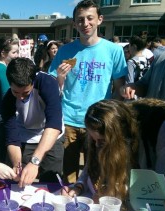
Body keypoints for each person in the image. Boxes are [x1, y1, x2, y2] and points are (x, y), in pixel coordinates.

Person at [61, 98, 165, 211]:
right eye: (93, 139)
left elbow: (164, 189)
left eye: (101, 141)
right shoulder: (100, 128)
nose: (97, 145)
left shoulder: (160, 129)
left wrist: (119, 192)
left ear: (119, 137)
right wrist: (79, 185)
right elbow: (91, 164)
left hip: (160, 193)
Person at [48, 0, 127, 184]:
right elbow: (53, 86)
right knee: (69, 172)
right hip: (69, 119)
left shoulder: (114, 51)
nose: (85, 24)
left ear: (100, 19)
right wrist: (60, 77)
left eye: (90, 18)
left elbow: (119, 88)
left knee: (98, 172)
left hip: (99, 121)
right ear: (74, 23)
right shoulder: (65, 51)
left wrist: (110, 116)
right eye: (80, 20)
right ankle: (69, 206)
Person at [2, 58, 64, 187]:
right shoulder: (8, 99)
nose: (20, 97)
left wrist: (34, 162)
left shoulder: (48, 83)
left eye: (26, 92)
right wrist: (17, 165)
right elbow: (12, 138)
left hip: (50, 134)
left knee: (51, 180)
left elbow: (54, 124)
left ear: (33, 81)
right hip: (25, 134)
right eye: (16, 92)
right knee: (19, 178)